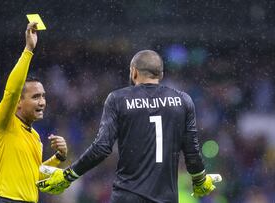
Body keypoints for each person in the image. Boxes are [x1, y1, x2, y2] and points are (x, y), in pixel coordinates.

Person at [38, 50, 220, 202]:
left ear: (133, 72)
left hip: (127, 196)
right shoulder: (183, 100)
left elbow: (101, 148)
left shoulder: (118, 99)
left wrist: (69, 175)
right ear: (161, 75)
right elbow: (192, 152)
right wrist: (199, 180)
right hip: (166, 198)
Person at [0, 22, 68, 203]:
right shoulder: (4, 122)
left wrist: (59, 158)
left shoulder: (35, 137)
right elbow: (12, 90)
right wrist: (28, 50)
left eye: (43, 96)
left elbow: (36, 177)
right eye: (35, 97)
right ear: (18, 103)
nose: (42, 102)